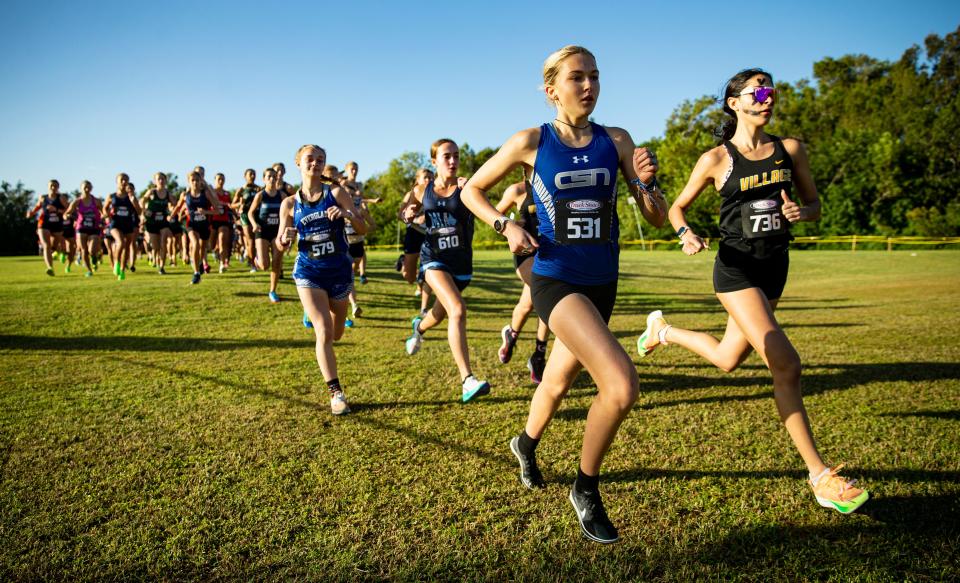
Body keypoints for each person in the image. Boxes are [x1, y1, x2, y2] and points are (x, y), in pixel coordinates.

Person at [635, 68, 869, 515]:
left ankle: (662, 331)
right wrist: (686, 234)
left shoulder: (791, 150)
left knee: (727, 359)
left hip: (775, 268)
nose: (768, 97)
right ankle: (820, 476)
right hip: (735, 270)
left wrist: (804, 211)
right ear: (734, 102)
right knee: (786, 364)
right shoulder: (715, 160)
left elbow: (816, 205)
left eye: (771, 90)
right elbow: (678, 208)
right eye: (758, 91)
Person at [460, 46, 666, 544]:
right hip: (555, 279)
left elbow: (655, 216)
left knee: (555, 383)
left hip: (603, 281)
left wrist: (649, 185)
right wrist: (504, 224)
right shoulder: (532, 141)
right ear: (552, 88)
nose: (589, 86)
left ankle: (525, 444)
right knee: (620, 385)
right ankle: (586, 488)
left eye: (595, 76)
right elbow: (471, 190)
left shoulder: (617, 140)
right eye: (577, 77)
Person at [276, 144, 367, 415]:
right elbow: (281, 243)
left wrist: (347, 215)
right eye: (310, 159)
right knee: (324, 331)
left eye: (320, 160)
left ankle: (317, 315)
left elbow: (362, 226)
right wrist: (284, 240)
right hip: (308, 271)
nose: (315, 163)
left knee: (337, 332)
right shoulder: (289, 204)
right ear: (298, 163)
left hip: (339, 270)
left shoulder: (336, 193)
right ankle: (336, 393)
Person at [402, 139, 491, 403]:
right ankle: (467, 380)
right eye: (446, 156)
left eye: (456, 156)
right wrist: (408, 212)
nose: (452, 161)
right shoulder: (422, 189)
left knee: (439, 315)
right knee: (458, 310)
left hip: (462, 265)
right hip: (434, 260)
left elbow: (487, 211)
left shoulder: (468, 187)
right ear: (433, 161)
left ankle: (419, 329)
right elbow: (405, 210)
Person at [493, 180, 550, 383]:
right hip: (526, 253)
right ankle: (539, 355)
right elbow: (493, 216)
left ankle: (511, 335)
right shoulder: (516, 190)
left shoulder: (558, 180)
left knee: (527, 305)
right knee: (549, 293)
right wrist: (511, 225)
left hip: (552, 253)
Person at [170, 171, 222, 284]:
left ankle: (199, 263)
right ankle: (196, 273)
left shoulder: (206, 193)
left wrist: (206, 211)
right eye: (192, 180)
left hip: (204, 225)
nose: (195, 182)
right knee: (195, 244)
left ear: (200, 181)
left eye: (197, 180)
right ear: (188, 182)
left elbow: (217, 210)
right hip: (191, 224)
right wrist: (171, 216)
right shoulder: (185, 195)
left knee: (203, 249)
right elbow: (178, 206)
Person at [398, 169, 434, 317]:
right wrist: (413, 218)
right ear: (417, 180)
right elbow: (400, 214)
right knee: (409, 277)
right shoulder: (411, 194)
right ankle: (403, 262)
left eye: (431, 178)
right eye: (425, 178)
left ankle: (424, 308)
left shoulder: (436, 193)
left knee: (428, 270)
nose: (428, 180)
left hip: (431, 235)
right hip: (413, 233)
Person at [248, 167, 286, 301]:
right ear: (264, 179)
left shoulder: (281, 195)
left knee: (277, 261)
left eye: (274, 176)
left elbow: (288, 212)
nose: (272, 179)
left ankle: (272, 291)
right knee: (265, 266)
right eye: (269, 176)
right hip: (262, 231)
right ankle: (257, 260)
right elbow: (250, 213)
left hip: (277, 231)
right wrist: (254, 224)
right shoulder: (260, 195)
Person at [102, 173, 142, 281]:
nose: (124, 182)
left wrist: (134, 202)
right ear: (117, 182)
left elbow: (139, 211)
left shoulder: (131, 197)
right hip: (115, 224)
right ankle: (116, 263)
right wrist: (107, 216)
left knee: (127, 247)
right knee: (120, 242)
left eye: (126, 180)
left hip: (128, 224)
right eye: (121, 180)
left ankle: (123, 271)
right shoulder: (112, 196)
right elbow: (104, 208)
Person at [26, 179, 66, 276]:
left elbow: (67, 210)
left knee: (55, 246)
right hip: (44, 223)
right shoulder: (43, 198)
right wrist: (31, 213)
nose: (53, 188)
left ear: (58, 187)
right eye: (51, 185)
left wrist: (56, 209)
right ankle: (50, 267)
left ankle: (57, 252)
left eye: (55, 186)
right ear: (48, 186)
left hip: (57, 224)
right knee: (46, 245)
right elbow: (38, 206)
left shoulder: (61, 198)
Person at [64, 180, 103, 277]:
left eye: (89, 186)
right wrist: (67, 216)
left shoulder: (96, 201)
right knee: (83, 250)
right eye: (85, 186)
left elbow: (103, 212)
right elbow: (66, 213)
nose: (87, 188)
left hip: (94, 227)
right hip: (81, 228)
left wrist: (104, 218)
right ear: (81, 188)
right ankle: (89, 270)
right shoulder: (77, 202)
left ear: (91, 188)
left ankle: (94, 258)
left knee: (92, 250)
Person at [140, 172, 174, 274]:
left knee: (164, 242)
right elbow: (142, 201)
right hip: (152, 222)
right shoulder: (151, 192)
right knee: (156, 246)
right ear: (155, 181)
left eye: (163, 179)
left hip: (163, 221)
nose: (161, 181)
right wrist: (145, 211)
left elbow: (175, 204)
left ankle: (161, 267)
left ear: (166, 180)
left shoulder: (168, 193)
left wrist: (171, 212)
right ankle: (156, 260)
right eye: (159, 179)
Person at [232, 168, 260, 271]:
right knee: (251, 240)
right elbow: (232, 205)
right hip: (245, 217)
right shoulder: (241, 190)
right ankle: (253, 264)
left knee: (256, 241)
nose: (252, 176)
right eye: (250, 174)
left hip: (257, 216)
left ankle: (251, 258)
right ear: (245, 176)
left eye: (254, 174)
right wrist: (240, 203)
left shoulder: (259, 189)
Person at [210, 172, 233, 273]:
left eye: (222, 179)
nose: (221, 181)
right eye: (219, 179)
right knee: (211, 244)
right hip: (212, 220)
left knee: (223, 240)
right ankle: (215, 251)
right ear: (215, 180)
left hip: (224, 220)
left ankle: (222, 263)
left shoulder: (227, 194)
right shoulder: (211, 192)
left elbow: (230, 206)